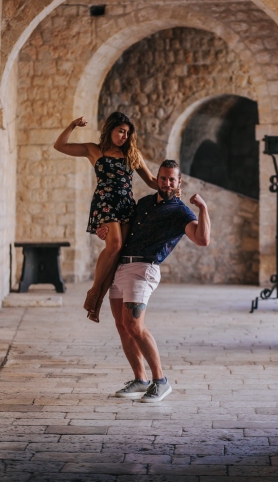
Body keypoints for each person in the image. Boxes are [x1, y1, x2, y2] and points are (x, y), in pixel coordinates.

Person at [96, 159, 210, 403]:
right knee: (122, 325)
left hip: (143, 268)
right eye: (163, 178)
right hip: (121, 266)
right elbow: (123, 229)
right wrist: (104, 231)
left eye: (172, 179)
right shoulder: (144, 203)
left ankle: (161, 381)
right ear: (157, 179)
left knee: (134, 325)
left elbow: (202, 239)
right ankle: (140, 379)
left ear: (179, 182)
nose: (166, 183)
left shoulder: (180, 211)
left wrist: (203, 209)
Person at [53, 112, 159, 322]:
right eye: (121, 131)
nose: (124, 136)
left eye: (128, 133)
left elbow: (150, 180)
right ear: (110, 129)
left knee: (117, 255)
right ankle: (94, 292)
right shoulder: (94, 150)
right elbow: (60, 145)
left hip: (127, 207)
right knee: (115, 245)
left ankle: (97, 304)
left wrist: (170, 187)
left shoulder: (132, 154)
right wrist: (73, 124)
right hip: (105, 204)